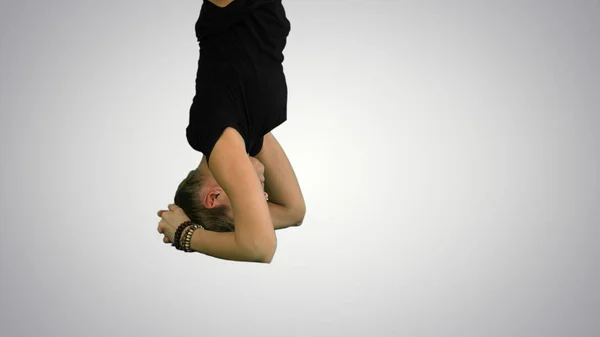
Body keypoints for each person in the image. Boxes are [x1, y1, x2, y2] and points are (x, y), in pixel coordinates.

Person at [157, 0, 305, 263]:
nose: (264, 196)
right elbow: (293, 212)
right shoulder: (246, 138)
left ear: (213, 196)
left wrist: (185, 234)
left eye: (255, 201)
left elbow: (260, 247)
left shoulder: (219, 143)